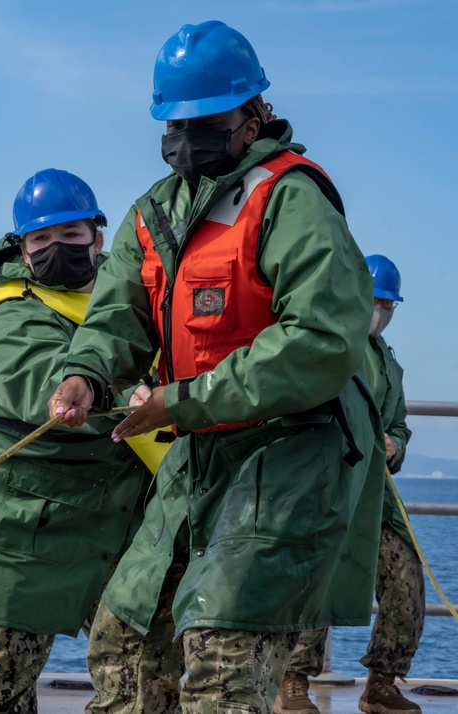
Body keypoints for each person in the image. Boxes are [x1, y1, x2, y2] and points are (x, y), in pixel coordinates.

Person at [47, 21, 386, 713]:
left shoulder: (289, 197)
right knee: (124, 643)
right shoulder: (155, 213)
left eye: (206, 120)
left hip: (289, 453)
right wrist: (83, 373)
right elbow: (116, 317)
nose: (186, 137)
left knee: (224, 663)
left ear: (254, 114)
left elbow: (321, 338)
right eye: (175, 123)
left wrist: (185, 399)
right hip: (199, 454)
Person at [0, 168, 159, 714]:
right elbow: (40, 388)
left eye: (70, 234)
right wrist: (133, 397)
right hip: (16, 513)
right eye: (41, 238)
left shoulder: (131, 299)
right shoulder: (12, 312)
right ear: (23, 247)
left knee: (144, 666)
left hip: (111, 504)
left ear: (97, 238)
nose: (56, 247)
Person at [276, 254, 422, 714]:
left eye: (388, 303)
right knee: (316, 582)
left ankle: (381, 683)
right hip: (327, 489)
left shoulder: (389, 365)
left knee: (406, 579)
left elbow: (398, 424)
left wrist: (393, 446)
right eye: (375, 298)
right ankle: (292, 681)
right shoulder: (327, 344)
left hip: (375, 501)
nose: (380, 309)